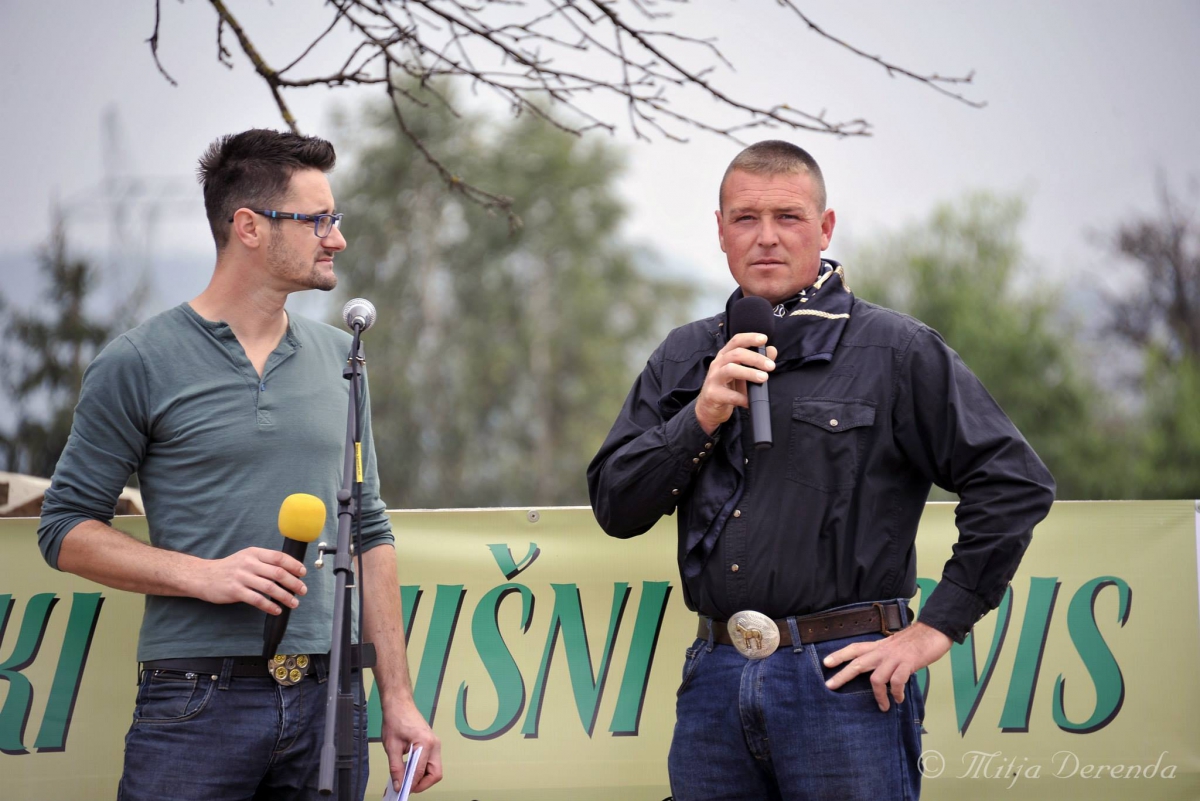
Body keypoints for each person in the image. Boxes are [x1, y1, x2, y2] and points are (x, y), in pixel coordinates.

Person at [587, 140, 1054, 800]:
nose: (767, 237)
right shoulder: (685, 355)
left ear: (826, 227)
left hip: (843, 682)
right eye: (746, 218)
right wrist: (700, 416)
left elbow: (1014, 482)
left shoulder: (895, 349)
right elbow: (615, 504)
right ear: (720, 230)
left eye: (789, 217)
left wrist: (934, 629)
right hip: (715, 678)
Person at [37, 129, 441, 800]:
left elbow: (369, 530)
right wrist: (205, 575)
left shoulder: (343, 358)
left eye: (334, 219)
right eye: (317, 220)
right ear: (249, 227)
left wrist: (397, 698)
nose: (337, 239)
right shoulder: (137, 362)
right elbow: (64, 529)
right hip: (195, 700)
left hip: (330, 700)